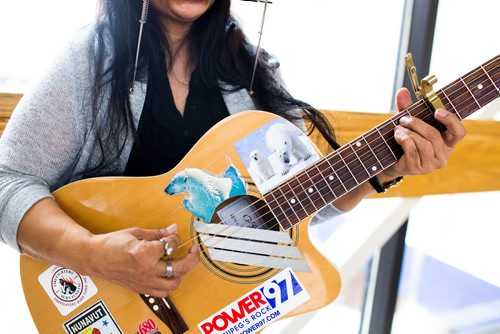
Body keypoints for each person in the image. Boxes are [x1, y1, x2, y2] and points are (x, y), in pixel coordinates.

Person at [0, 0, 465, 298]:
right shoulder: (90, 62)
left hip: (218, 312)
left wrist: (385, 168)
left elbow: (298, 206)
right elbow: (7, 182)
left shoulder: (252, 70)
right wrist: (92, 253)